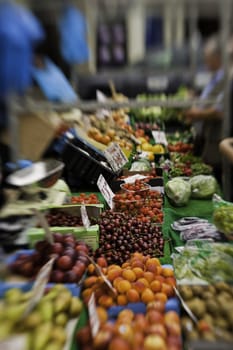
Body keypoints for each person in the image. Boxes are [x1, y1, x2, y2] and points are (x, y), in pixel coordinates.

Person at [184, 35, 225, 184]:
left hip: (217, 138)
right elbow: (209, 100)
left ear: (217, 57)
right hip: (208, 136)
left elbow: (219, 111)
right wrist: (195, 100)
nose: (205, 61)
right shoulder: (217, 76)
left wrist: (196, 113)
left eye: (207, 57)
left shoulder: (225, 77)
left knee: (215, 177)